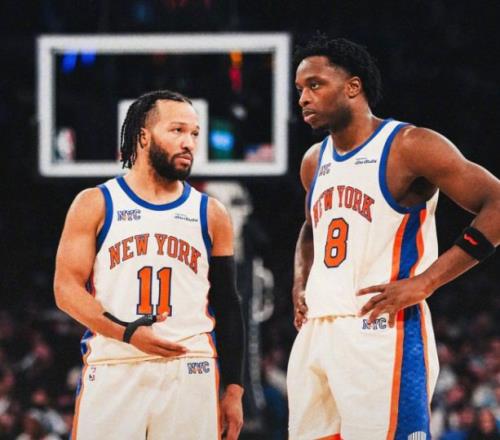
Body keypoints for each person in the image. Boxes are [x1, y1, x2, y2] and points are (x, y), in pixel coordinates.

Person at [288, 35, 500, 440]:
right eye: (300, 89)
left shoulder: (410, 146)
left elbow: (497, 204)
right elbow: (311, 228)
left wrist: (427, 282)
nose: (303, 98)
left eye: (315, 85)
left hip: (382, 331)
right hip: (318, 332)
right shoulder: (313, 161)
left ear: (353, 87)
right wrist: (301, 281)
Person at [53, 90, 245, 440]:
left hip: (189, 368)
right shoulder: (96, 203)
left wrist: (234, 389)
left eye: (194, 133)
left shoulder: (211, 212)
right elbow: (66, 290)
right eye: (177, 130)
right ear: (143, 136)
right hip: (115, 363)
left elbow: (229, 304)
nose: (189, 143)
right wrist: (127, 332)